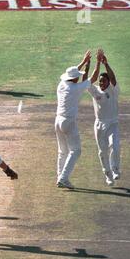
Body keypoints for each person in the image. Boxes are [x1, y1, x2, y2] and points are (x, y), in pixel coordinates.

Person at [55, 50, 92, 189]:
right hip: (68, 122)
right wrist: (91, 67)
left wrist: (83, 62)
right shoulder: (75, 88)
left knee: (62, 151)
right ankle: (63, 178)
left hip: (58, 121)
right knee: (76, 151)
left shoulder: (62, 85)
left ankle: (60, 177)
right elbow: (89, 80)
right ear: (75, 78)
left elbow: (77, 76)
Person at [88, 49, 121, 186]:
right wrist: (97, 62)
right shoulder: (95, 90)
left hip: (112, 123)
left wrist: (106, 64)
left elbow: (113, 78)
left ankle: (115, 169)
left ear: (108, 82)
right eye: (100, 81)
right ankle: (107, 175)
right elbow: (92, 79)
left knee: (115, 145)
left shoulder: (113, 90)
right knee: (102, 152)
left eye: (104, 81)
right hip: (99, 125)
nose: (101, 83)